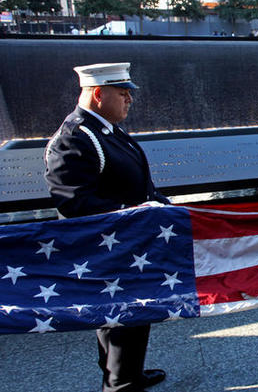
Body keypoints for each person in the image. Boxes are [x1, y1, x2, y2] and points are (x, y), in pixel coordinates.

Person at [44, 62, 168, 392]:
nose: (130, 100)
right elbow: (73, 202)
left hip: (129, 243)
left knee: (134, 316)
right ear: (98, 94)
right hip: (108, 249)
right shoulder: (75, 138)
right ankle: (119, 384)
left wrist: (167, 209)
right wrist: (134, 212)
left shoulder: (105, 131)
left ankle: (129, 372)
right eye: (123, 94)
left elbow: (141, 185)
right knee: (119, 318)